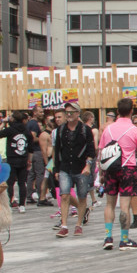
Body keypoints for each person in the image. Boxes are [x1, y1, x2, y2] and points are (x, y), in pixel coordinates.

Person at [99, 98, 137, 251]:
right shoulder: (136, 131)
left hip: (110, 168)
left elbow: (101, 151)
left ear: (117, 111)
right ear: (132, 111)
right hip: (128, 167)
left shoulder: (107, 129)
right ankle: (124, 239)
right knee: (124, 205)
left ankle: (108, 237)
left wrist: (101, 173)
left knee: (109, 204)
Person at [53, 102, 95, 238]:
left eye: (71, 112)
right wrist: (56, 169)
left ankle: (78, 224)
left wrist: (88, 165)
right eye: (67, 112)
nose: (69, 115)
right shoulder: (61, 130)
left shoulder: (85, 130)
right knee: (64, 195)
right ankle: (64, 225)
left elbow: (91, 151)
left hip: (81, 167)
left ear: (78, 114)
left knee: (82, 196)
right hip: (65, 167)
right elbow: (57, 150)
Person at [0, 112, 30, 212]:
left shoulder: (10, 130)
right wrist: (29, 160)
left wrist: (3, 123)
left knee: (10, 182)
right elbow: (30, 147)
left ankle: (10, 202)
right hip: (23, 158)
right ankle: (22, 205)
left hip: (12, 158)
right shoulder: (26, 130)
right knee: (22, 183)